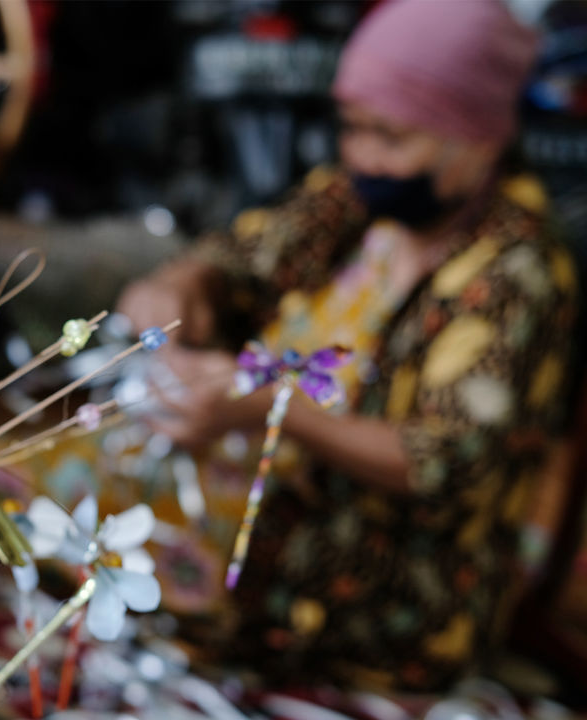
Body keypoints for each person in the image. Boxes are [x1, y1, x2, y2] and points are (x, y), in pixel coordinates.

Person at [117, 0, 577, 692]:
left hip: (385, 607)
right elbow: (243, 258)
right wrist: (182, 285)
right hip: (260, 528)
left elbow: (441, 459)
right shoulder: (355, 203)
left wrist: (276, 405)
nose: (361, 154)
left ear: (476, 138)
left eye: (391, 137)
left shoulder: (522, 273)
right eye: (353, 127)